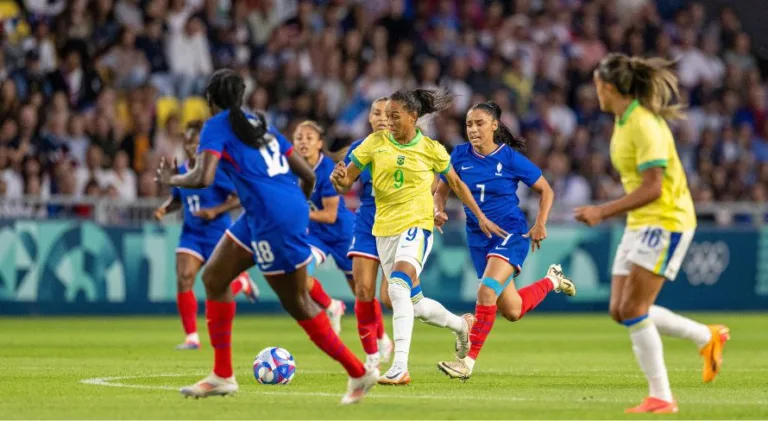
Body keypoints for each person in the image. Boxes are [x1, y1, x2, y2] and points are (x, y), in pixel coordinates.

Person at [156, 69, 377, 404]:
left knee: (298, 303)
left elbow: (203, 177)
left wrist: (172, 179)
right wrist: (296, 209)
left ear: (211, 99)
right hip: (267, 211)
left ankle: (358, 372)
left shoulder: (216, 125)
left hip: (271, 217)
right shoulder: (262, 124)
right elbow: (305, 174)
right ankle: (222, 375)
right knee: (214, 277)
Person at [574, 53, 730, 414]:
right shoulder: (623, 119)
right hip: (641, 222)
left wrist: (602, 210)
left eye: (597, 85)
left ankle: (661, 396)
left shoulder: (643, 124)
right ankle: (706, 337)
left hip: (665, 220)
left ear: (609, 88)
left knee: (634, 308)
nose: (594, 91)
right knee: (619, 309)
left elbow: (654, 188)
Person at [331, 88, 508, 385]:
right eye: (385, 115)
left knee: (397, 286)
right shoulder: (374, 143)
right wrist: (338, 180)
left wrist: (480, 216)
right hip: (383, 230)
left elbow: (456, 184)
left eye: (394, 116)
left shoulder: (431, 149)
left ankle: (399, 366)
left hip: (417, 225)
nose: (387, 121)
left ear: (413, 117)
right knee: (414, 304)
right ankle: (462, 326)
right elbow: (346, 179)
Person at [433, 101, 575, 380]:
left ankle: (466, 364)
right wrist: (438, 211)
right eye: (469, 124)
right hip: (478, 239)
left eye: (479, 123)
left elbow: (545, 190)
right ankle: (553, 280)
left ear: (494, 126)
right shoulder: (459, 155)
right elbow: (441, 191)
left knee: (486, 291)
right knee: (512, 310)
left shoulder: (508, 158)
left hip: (510, 233)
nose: (473, 129)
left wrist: (540, 223)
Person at [154, 120, 258, 350]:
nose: (192, 146)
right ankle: (192, 337)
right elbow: (178, 199)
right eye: (189, 141)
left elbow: (239, 197)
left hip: (218, 235)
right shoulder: (181, 171)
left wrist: (215, 210)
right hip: (191, 234)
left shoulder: (216, 170)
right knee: (184, 277)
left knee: (216, 286)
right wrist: (164, 208)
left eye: (197, 142)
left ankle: (241, 283)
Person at [344, 99, 394, 369]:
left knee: (389, 298)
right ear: (370, 118)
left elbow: (432, 182)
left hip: (398, 223)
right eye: (377, 113)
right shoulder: (359, 148)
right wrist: (339, 179)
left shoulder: (408, 147)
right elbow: (344, 184)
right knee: (363, 289)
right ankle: (372, 356)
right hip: (367, 221)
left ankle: (452, 322)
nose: (382, 118)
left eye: (388, 114)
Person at [291, 120, 350, 334]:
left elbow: (330, 215)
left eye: (309, 138)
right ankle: (331, 305)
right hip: (315, 235)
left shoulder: (326, 170)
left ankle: (381, 339)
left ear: (319, 143)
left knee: (362, 291)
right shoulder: (291, 168)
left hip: (342, 234)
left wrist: (299, 214)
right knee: (298, 273)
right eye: (299, 138)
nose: (303, 142)